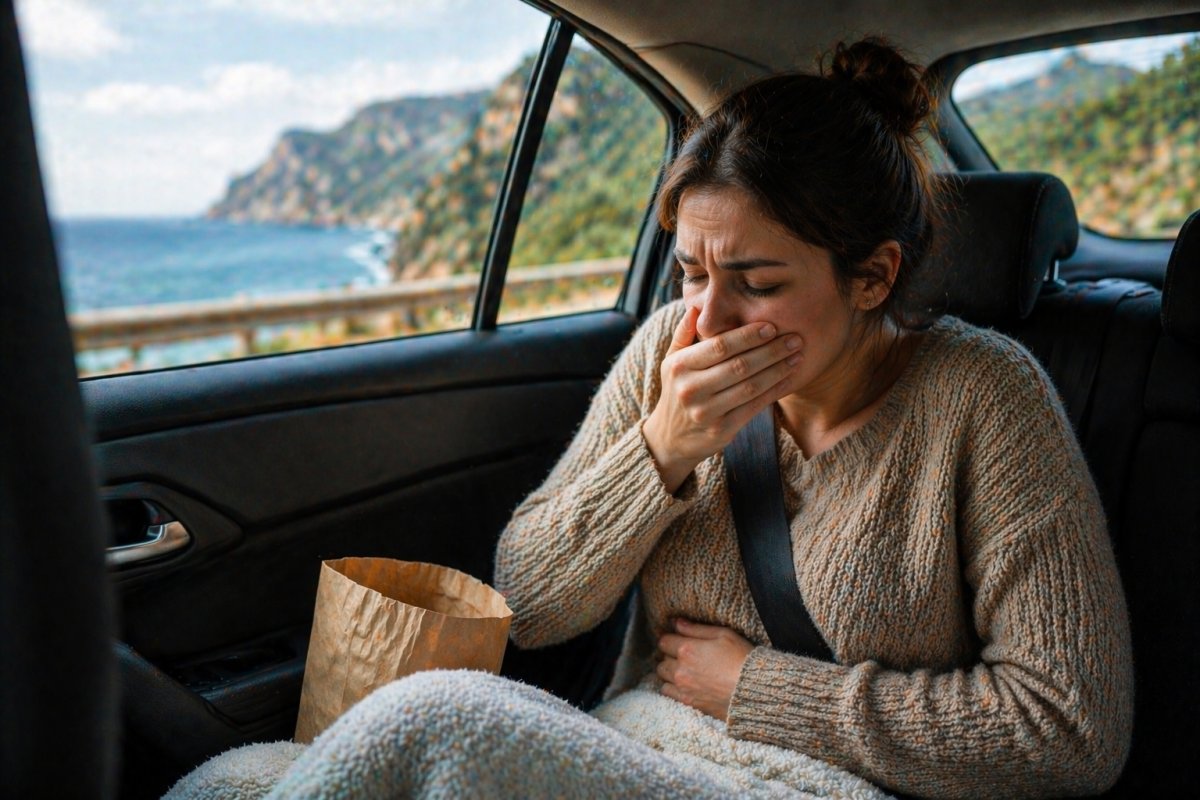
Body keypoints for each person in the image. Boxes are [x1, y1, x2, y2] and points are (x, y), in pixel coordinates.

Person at [167, 38, 1132, 800]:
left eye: (756, 283)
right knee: (233, 780)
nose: (706, 321)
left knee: (425, 722)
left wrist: (761, 690)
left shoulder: (985, 399)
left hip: (831, 783)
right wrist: (662, 451)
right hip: (638, 748)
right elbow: (534, 607)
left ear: (871, 276)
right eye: (692, 272)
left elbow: (1068, 730)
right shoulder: (670, 348)